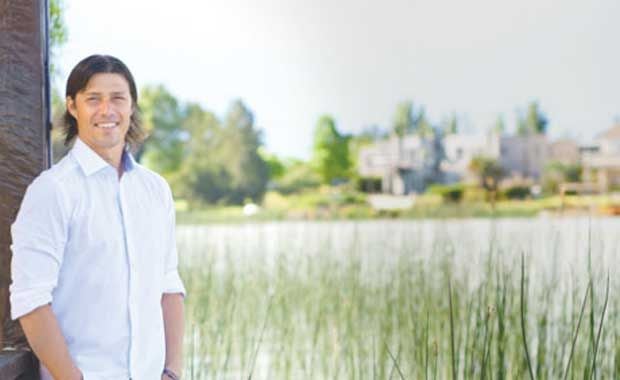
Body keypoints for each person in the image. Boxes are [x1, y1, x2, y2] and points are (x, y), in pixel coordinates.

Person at [9, 55, 186, 380]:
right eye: (93, 99)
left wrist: (171, 372)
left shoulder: (156, 190)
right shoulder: (52, 192)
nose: (107, 110)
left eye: (118, 98)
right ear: (73, 107)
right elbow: (30, 302)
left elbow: (169, 286)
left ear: (132, 106)